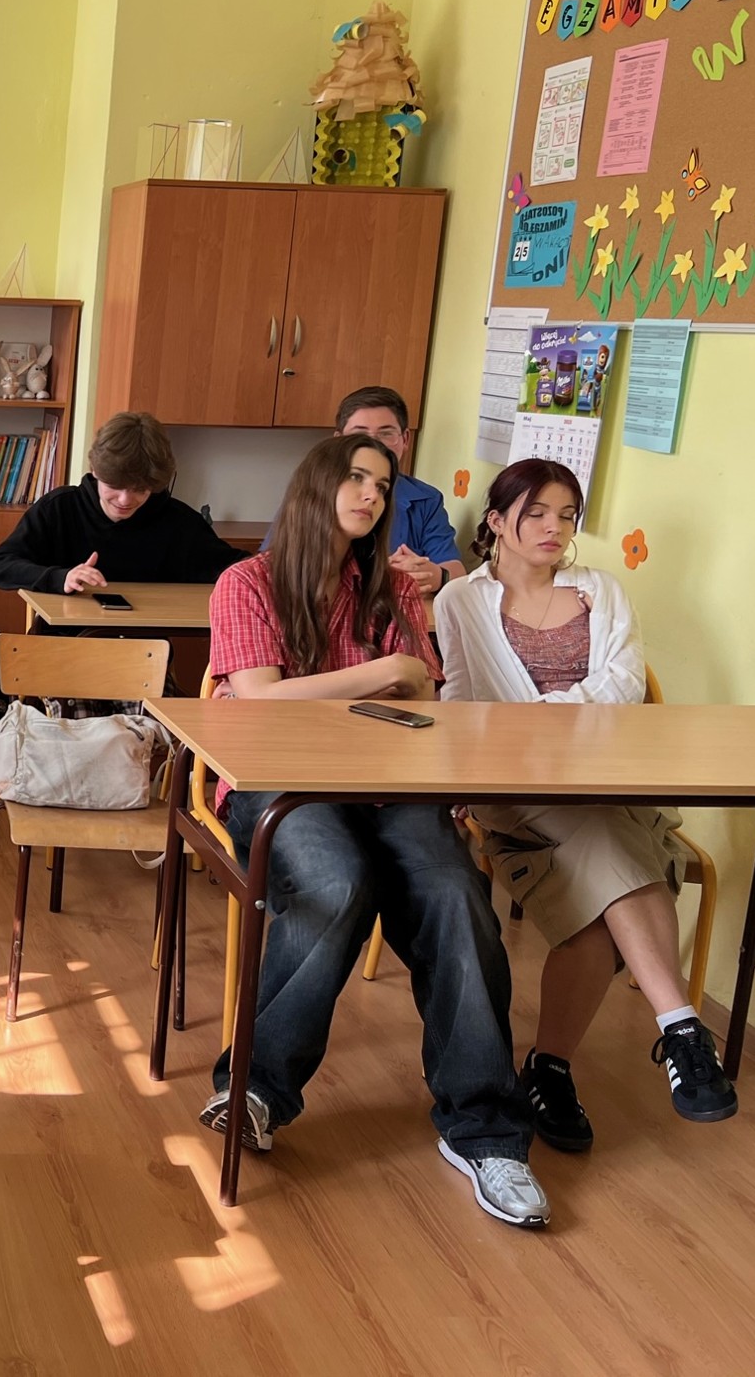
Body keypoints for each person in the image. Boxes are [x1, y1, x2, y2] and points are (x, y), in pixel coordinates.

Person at [204, 432, 547, 1228]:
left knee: (457, 895)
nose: (370, 494)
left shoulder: (391, 589)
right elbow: (258, 700)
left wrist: (376, 681)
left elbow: (424, 695)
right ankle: (256, 1090)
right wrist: (382, 672)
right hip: (279, 783)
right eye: (356, 478)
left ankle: (486, 1130)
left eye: (382, 485)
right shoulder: (246, 582)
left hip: (386, 785)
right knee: (336, 880)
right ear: (316, 486)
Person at [435, 458, 737, 1149]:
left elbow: (625, 683)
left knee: (597, 907)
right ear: (496, 521)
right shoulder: (460, 600)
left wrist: (544, 719)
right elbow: (460, 697)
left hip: (607, 782)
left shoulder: (602, 589)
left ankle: (549, 1069)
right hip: (515, 789)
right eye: (537, 513)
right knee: (611, 847)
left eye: (567, 515)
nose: (554, 527)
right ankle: (682, 1028)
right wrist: (469, 775)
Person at [0, 410, 242, 594]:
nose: (125, 500)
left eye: (140, 489)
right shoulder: (59, 509)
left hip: (147, 646)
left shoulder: (179, 522)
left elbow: (237, 569)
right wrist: (60, 577)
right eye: (114, 486)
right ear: (95, 470)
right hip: (66, 641)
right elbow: (0, 565)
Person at [305, 385, 462, 599]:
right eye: (359, 434)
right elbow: (283, 562)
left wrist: (435, 575)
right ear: (338, 440)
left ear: (405, 440)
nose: (373, 443)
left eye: (386, 433)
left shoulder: (426, 499)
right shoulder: (315, 489)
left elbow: (456, 571)